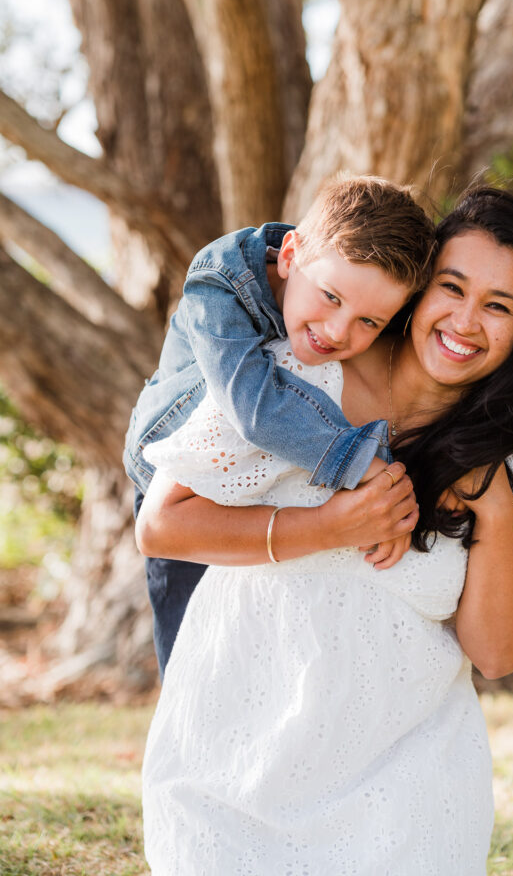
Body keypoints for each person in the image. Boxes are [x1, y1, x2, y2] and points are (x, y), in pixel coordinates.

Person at [136, 186, 513, 875]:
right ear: (415, 291)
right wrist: (326, 526)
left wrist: (492, 502)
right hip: (227, 774)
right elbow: (163, 525)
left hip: (404, 806)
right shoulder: (292, 383)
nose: (465, 321)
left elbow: (498, 653)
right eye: (452, 288)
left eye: (497, 306)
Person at [123, 174, 436, 675]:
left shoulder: (344, 284)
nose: (338, 332)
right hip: (172, 468)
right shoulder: (219, 283)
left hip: (260, 488)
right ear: (289, 256)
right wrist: (366, 464)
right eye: (331, 297)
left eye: (369, 323)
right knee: (192, 668)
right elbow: (252, 408)